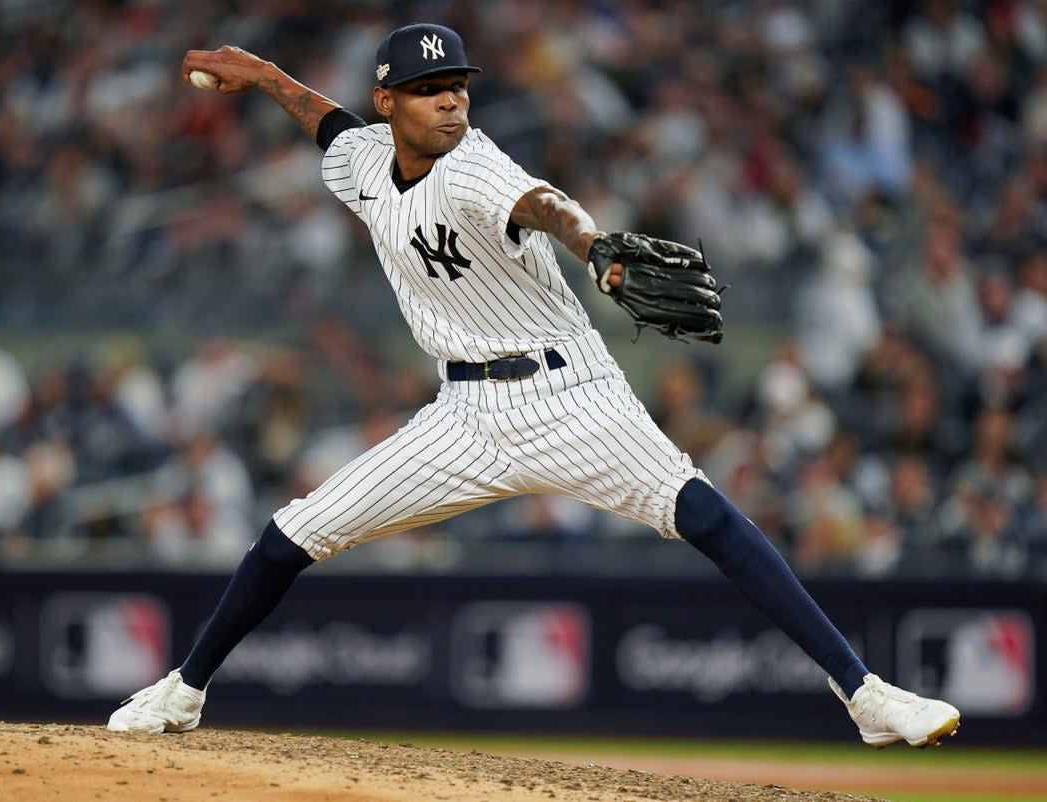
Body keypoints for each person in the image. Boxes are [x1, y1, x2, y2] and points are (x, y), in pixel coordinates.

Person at [109, 23, 961, 749]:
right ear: (389, 105)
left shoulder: (475, 166)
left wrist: (595, 250)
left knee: (701, 510)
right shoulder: (365, 162)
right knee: (291, 533)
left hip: (570, 394)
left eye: (458, 86)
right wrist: (259, 75)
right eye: (428, 88)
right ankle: (186, 688)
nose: (451, 101)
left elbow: (547, 204)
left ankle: (866, 696)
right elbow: (322, 119)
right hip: (464, 415)